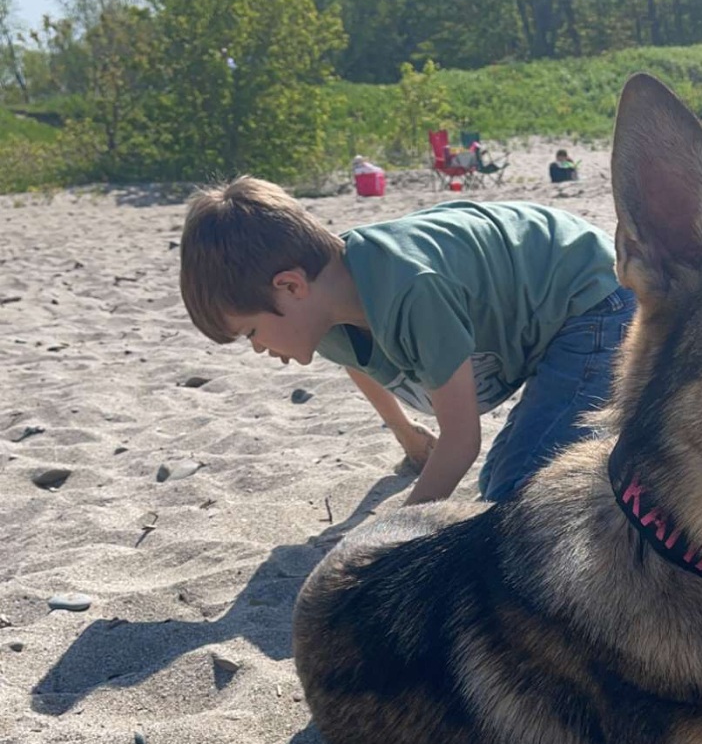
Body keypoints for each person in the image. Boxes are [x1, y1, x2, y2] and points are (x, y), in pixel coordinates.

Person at [179, 178, 636, 504]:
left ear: (291, 286)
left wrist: (392, 541)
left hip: (593, 299)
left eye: (251, 333)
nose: (258, 348)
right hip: (542, 320)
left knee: (517, 494)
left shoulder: (412, 290)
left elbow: (460, 443)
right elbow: (358, 361)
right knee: (498, 479)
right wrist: (406, 434)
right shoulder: (326, 300)